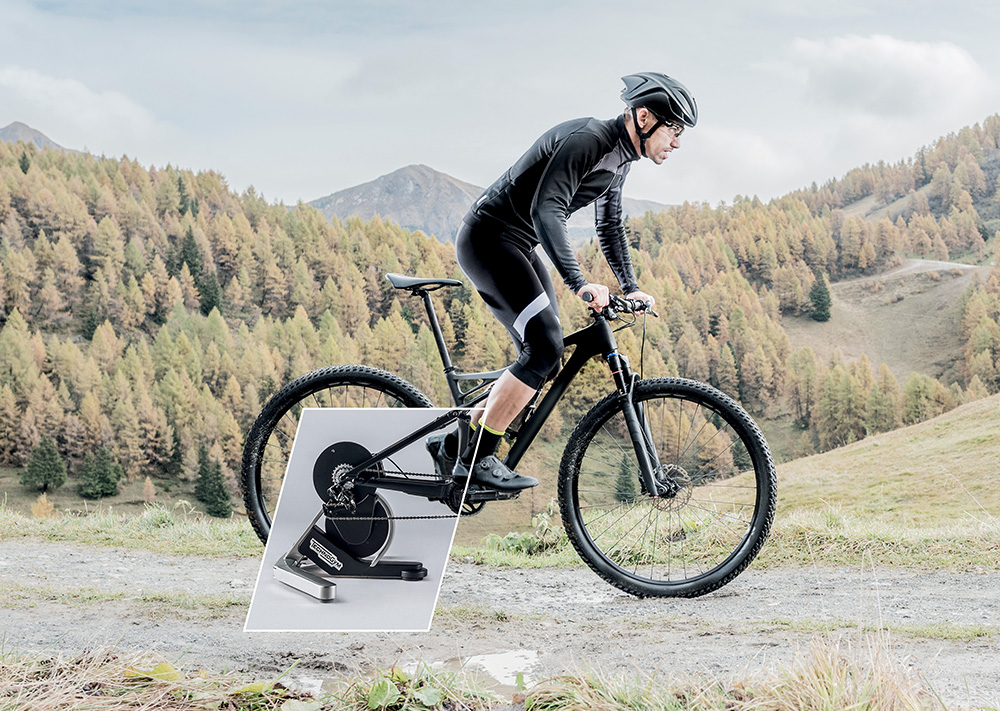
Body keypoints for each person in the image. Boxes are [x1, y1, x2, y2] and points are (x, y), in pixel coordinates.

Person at [429, 72, 698, 491]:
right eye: (674, 129)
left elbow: (609, 226)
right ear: (644, 117)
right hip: (489, 240)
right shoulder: (588, 140)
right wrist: (579, 282)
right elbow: (547, 210)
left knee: (547, 357)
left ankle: (452, 446)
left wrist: (630, 286)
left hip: (517, 244)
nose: (677, 143)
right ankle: (476, 459)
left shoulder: (620, 158)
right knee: (544, 348)